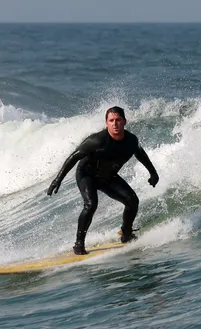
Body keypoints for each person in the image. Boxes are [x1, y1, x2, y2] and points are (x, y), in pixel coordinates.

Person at [47, 106, 159, 255]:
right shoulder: (97, 140)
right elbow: (74, 156)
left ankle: (126, 233)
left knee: (132, 201)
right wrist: (58, 179)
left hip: (108, 177)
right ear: (106, 123)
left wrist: (153, 172)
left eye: (118, 120)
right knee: (91, 204)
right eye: (111, 120)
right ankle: (79, 244)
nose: (115, 124)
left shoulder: (131, 140)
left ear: (124, 121)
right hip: (87, 175)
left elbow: (140, 154)